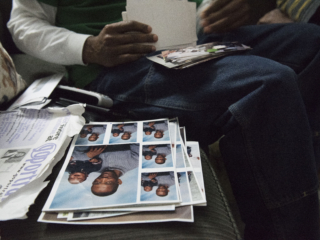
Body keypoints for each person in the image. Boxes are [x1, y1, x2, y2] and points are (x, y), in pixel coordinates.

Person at [8, 0, 320, 238]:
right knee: (268, 83)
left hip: (200, 35)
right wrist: (88, 48)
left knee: (312, 43)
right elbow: (22, 22)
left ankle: (277, 169)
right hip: (116, 62)